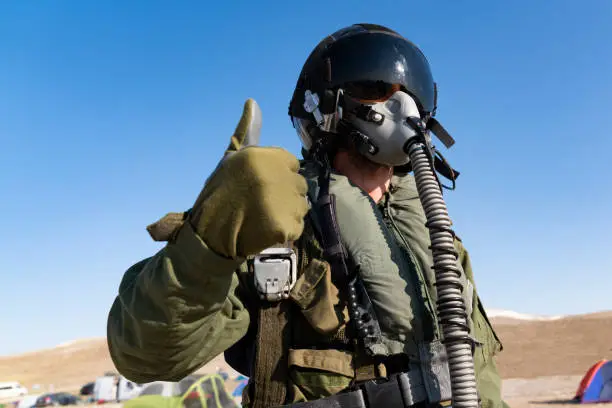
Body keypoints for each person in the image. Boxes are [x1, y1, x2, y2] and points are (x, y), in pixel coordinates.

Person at [106, 23, 509, 408]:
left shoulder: (439, 239)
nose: (404, 106)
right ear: (325, 105)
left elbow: (481, 375)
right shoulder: (269, 223)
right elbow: (144, 356)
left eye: (414, 95)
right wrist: (212, 236)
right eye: (374, 88)